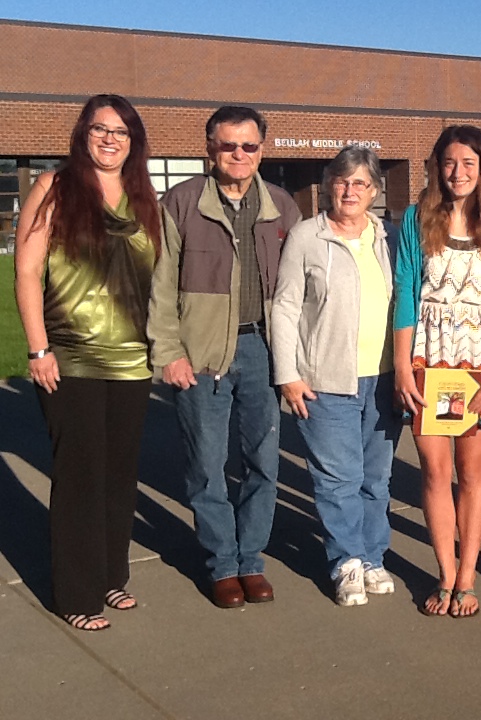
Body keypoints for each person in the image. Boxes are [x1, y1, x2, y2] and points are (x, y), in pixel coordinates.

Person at [14, 94, 162, 630]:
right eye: (100, 128)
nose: (109, 138)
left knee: (119, 475)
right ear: (83, 133)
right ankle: (76, 595)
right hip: (70, 356)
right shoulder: (55, 187)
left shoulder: (145, 196)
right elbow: (27, 271)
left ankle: (109, 576)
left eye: (121, 131)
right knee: (80, 473)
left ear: (133, 141)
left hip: (133, 360)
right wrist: (38, 348)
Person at [148, 106, 301, 608]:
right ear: (209, 148)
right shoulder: (181, 202)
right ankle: (222, 564)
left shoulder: (282, 206)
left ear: (263, 148)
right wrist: (169, 352)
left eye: (249, 146)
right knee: (206, 465)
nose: (239, 154)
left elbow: (302, 289)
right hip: (203, 353)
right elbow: (160, 286)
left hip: (264, 349)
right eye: (228, 145)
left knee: (262, 461)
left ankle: (251, 559)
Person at [393, 125, 481, 618]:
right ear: (437, 167)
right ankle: (444, 573)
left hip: (477, 368)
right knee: (434, 470)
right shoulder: (416, 218)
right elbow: (405, 290)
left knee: (471, 473)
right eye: (449, 163)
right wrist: (402, 367)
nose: (459, 172)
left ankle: (468, 577)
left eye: (469, 163)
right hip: (427, 363)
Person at [271, 147, 401, 607]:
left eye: (361, 183)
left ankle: (372, 557)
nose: (350, 191)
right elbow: (285, 306)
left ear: (375, 191)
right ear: (329, 185)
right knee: (337, 478)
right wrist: (287, 374)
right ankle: (345, 561)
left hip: (385, 379)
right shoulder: (308, 236)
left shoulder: (388, 236)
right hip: (325, 380)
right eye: (342, 182)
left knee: (376, 479)